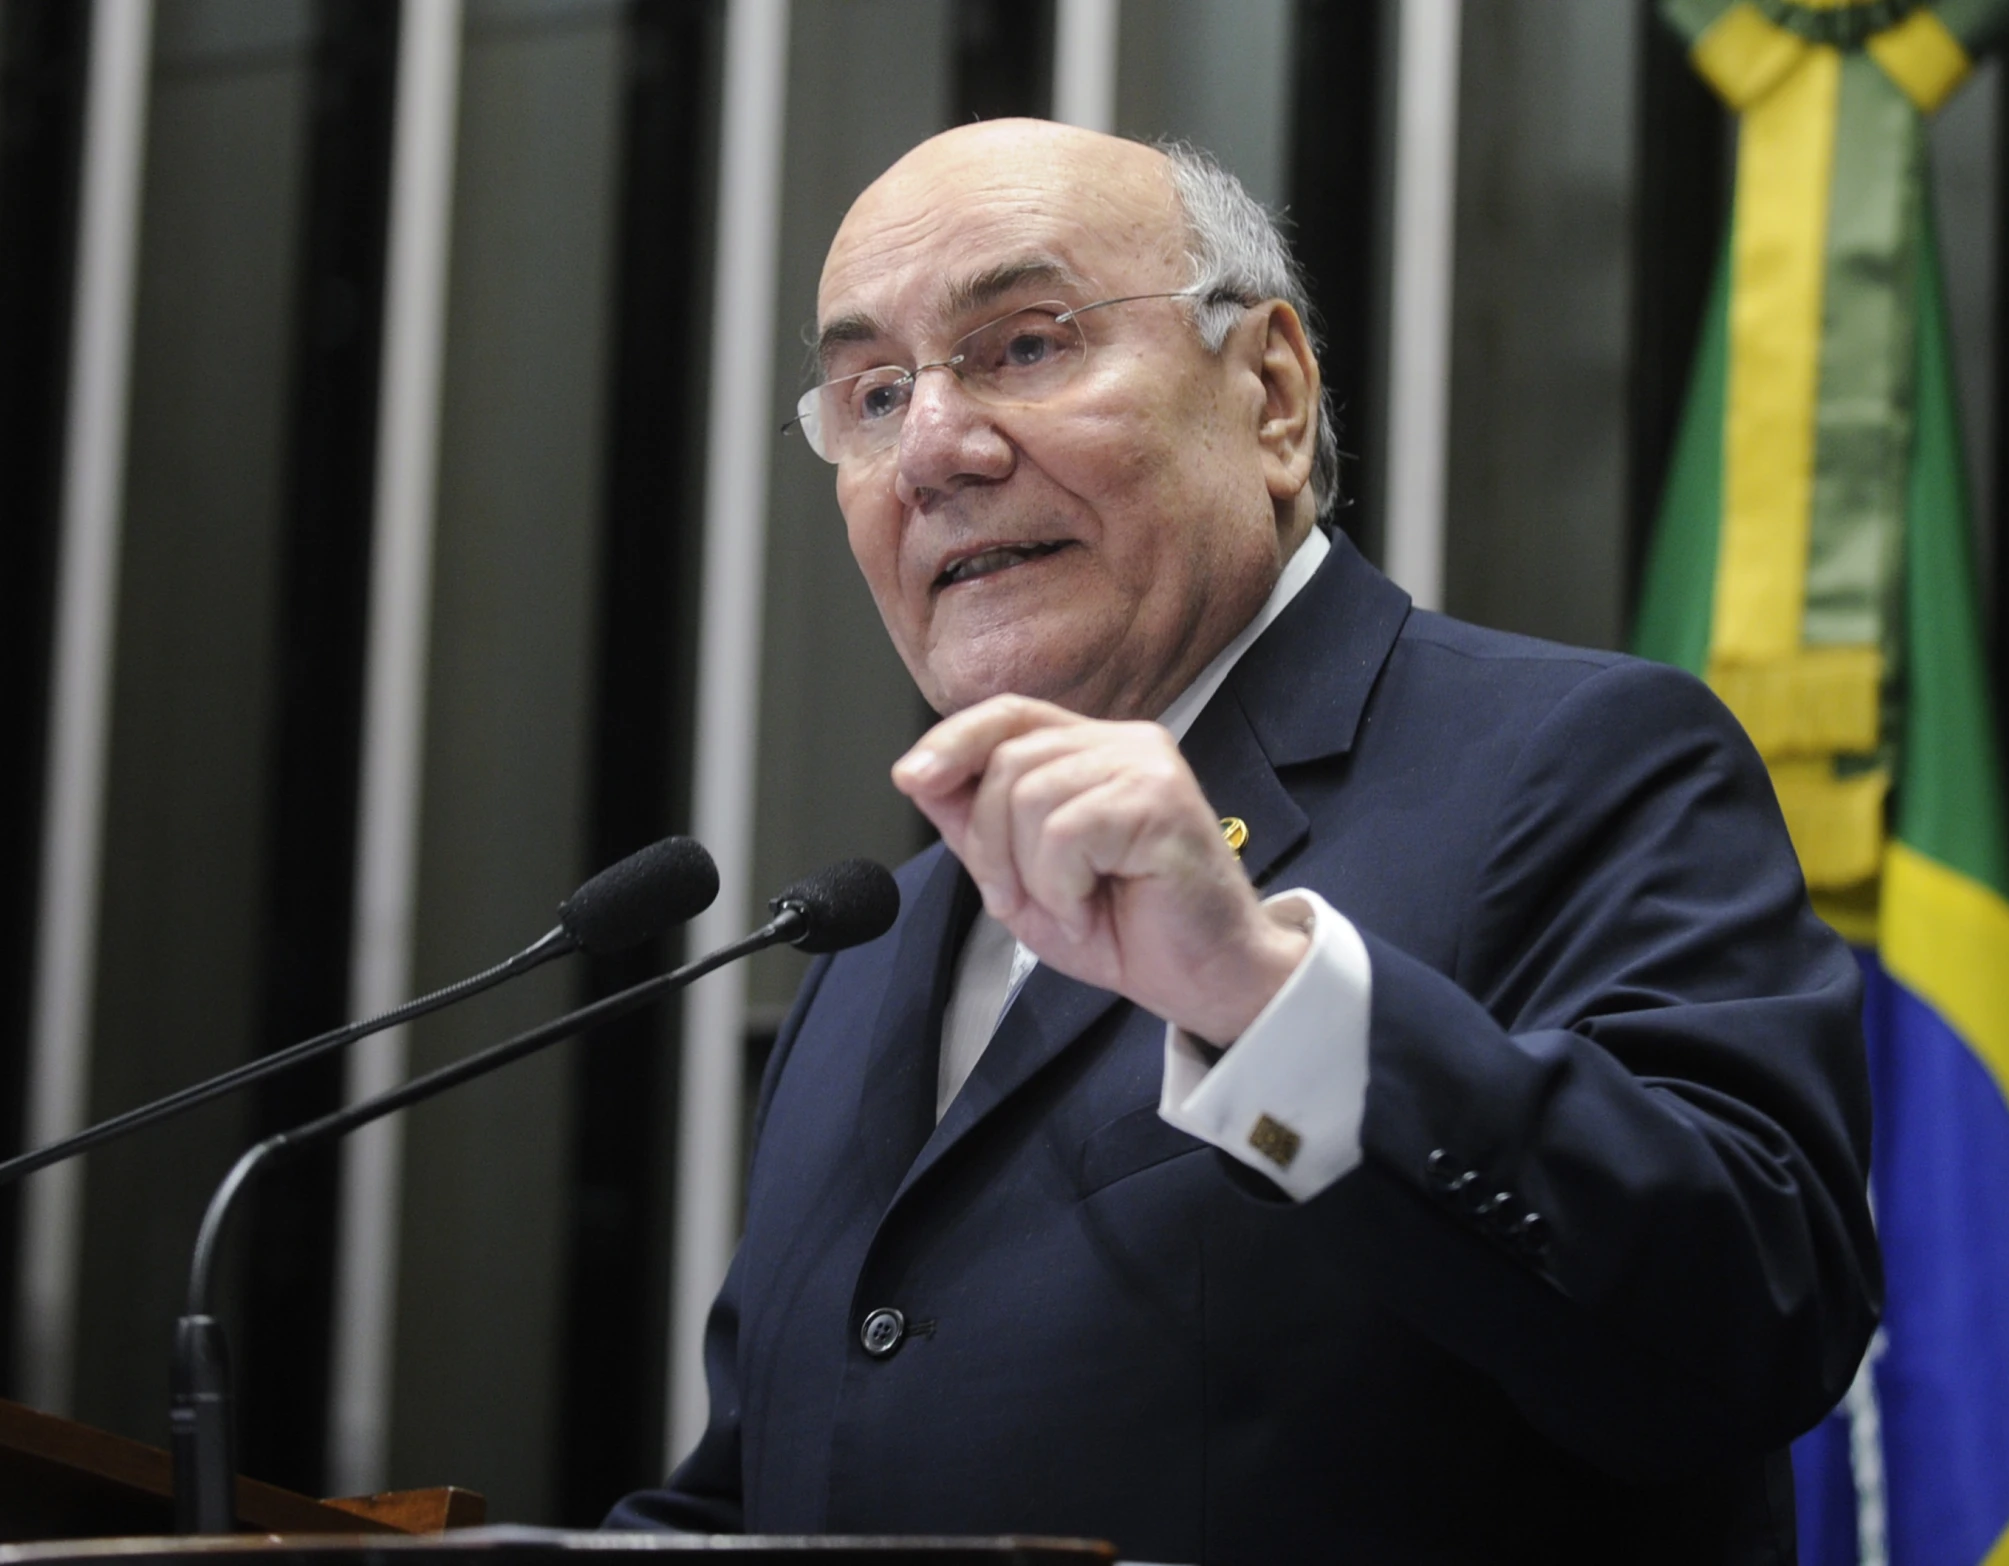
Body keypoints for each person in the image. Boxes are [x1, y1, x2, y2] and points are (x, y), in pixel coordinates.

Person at [610, 120, 1879, 1564]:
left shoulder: (1580, 761)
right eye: (873, 392)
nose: (935, 453)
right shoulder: (869, 947)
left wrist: (1265, 1004)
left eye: (1024, 345)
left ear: (1271, 394)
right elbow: (773, 1485)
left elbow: (1756, 1319)